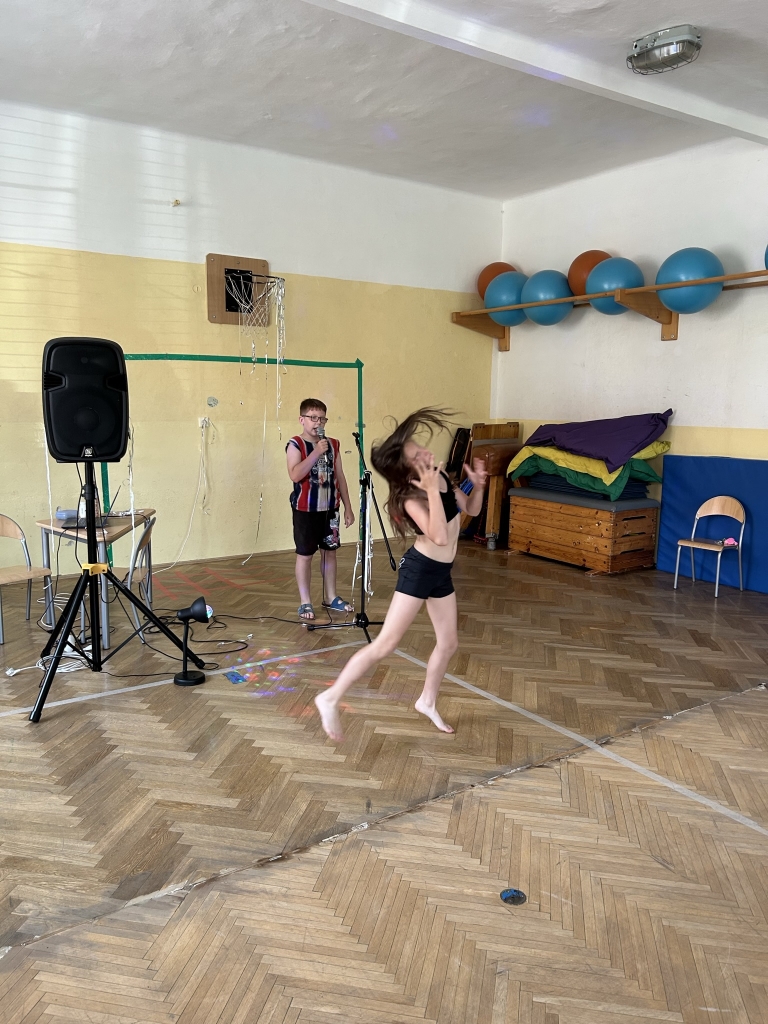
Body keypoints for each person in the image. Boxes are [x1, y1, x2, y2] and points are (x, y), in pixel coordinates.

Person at [315, 408, 487, 741]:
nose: (424, 452)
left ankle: (427, 701)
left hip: (441, 571)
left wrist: (477, 487)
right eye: (415, 455)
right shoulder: (410, 499)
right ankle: (330, 697)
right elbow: (439, 536)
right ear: (406, 469)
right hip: (420, 570)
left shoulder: (440, 476)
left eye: (419, 448)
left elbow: (471, 508)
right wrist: (432, 490)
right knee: (386, 644)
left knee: (448, 642)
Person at [286, 398, 355, 621]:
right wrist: (316, 452)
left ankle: (331, 596)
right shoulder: (295, 444)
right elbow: (295, 474)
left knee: (330, 552)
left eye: (322, 419)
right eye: (313, 418)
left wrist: (348, 507)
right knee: (305, 555)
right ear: (302, 420)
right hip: (305, 510)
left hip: (330, 509)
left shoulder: (333, 444)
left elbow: (340, 477)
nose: (318, 423)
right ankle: (305, 601)